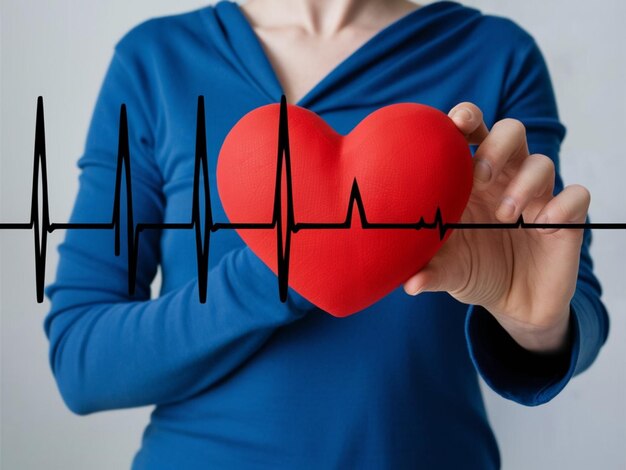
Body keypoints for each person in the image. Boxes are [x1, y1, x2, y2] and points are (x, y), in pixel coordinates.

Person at [43, 0, 609, 468]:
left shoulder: (494, 55)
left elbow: (568, 311)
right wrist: (302, 258)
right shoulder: (156, 61)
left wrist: (534, 322)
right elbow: (82, 358)